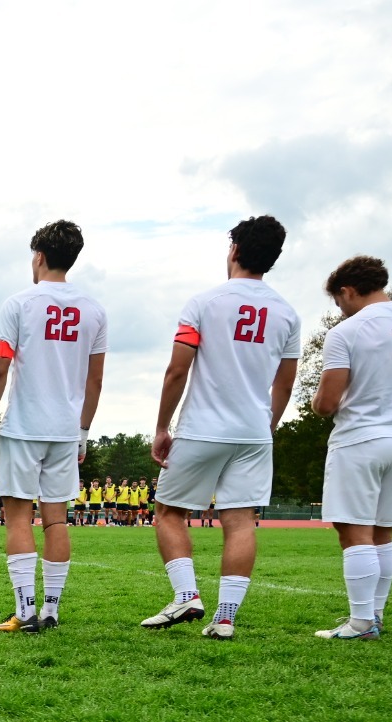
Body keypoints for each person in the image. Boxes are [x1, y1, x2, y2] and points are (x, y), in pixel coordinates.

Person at [142, 215, 300, 639]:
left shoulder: (204, 303)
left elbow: (178, 370)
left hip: (203, 426)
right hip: (253, 431)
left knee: (169, 511)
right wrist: (266, 426)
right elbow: (285, 383)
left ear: (233, 250)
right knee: (240, 520)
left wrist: (161, 427)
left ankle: (187, 596)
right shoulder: (287, 312)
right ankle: (226, 618)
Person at [0, 222, 106, 631]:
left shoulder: (19, 303)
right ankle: (50, 610)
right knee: (56, 519)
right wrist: (83, 431)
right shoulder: (94, 309)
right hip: (66, 430)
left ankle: (25, 611)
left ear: (39, 256)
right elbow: (95, 379)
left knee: (17, 519)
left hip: (25, 426)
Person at [307, 255, 392, 640]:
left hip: (360, 438)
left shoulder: (346, 333)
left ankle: (361, 622)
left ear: (347, 291)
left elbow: (328, 402)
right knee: (384, 531)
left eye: (338, 300)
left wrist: (317, 404)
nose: (340, 308)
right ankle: (374, 616)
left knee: (354, 531)